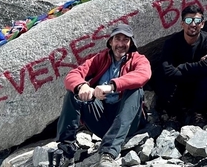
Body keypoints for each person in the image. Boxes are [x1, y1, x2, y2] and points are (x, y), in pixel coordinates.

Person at [57, 25, 151, 167]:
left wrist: (112, 86)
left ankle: (108, 154)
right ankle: (66, 151)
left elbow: (143, 75)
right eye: (117, 39)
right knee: (73, 93)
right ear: (110, 42)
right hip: (102, 119)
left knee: (135, 90)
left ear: (131, 43)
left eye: (125, 40)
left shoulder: (138, 59)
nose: (121, 44)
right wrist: (81, 86)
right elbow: (72, 75)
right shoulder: (100, 59)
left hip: (128, 123)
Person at [153, 5, 207, 125]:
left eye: (197, 21)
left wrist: (182, 67)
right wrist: (199, 66)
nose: (193, 24)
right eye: (189, 20)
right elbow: (166, 70)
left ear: (202, 24)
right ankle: (175, 114)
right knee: (160, 76)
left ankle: (198, 112)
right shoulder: (172, 43)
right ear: (182, 24)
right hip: (179, 86)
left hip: (199, 87)